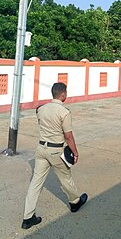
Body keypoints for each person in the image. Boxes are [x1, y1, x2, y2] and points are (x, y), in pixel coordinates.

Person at [21, 82, 88, 229]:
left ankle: (27, 218)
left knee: (35, 183)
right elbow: (68, 136)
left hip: (41, 149)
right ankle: (75, 202)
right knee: (65, 177)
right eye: (66, 93)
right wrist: (75, 153)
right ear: (62, 94)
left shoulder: (41, 109)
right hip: (56, 151)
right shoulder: (64, 112)